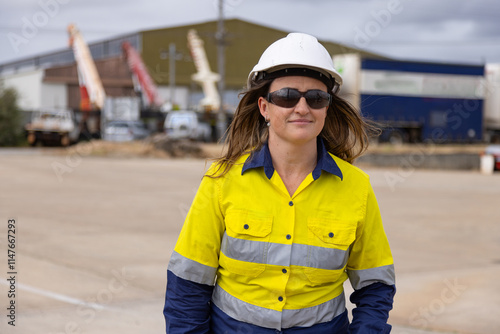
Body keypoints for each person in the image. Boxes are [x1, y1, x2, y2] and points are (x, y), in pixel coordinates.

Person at [163, 32, 396, 333]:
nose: (302, 108)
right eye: (287, 96)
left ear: (326, 107)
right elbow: (188, 284)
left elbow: (376, 286)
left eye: (316, 98)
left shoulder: (356, 188)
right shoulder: (221, 182)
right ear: (264, 107)